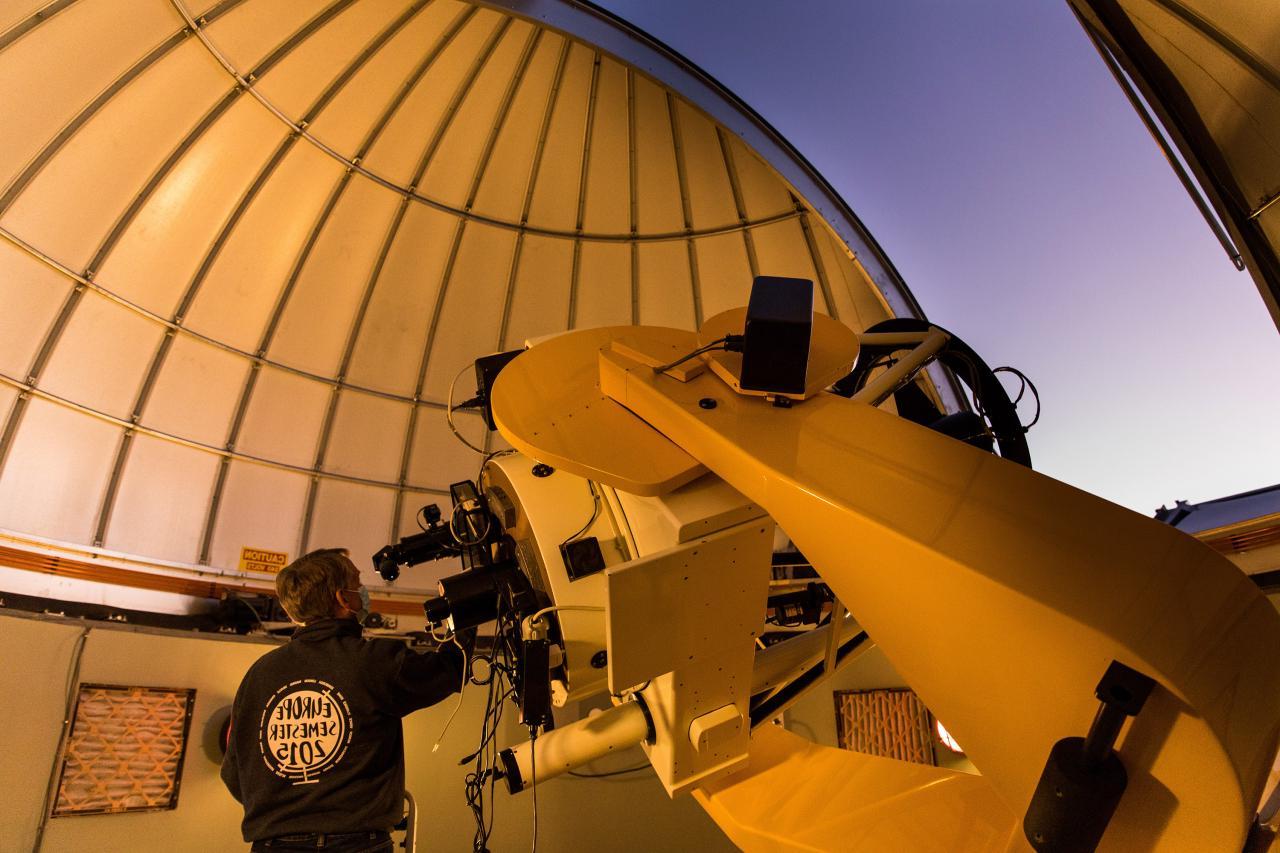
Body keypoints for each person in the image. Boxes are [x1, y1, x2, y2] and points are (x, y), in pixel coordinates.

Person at [221, 548, 467, 852]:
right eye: (357, 583)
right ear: (342, 598)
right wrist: (466, 609)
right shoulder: (369, 661)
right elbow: (453, 668)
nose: (363, 592)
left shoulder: (257, 675)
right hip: (354, 845)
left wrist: (289, 811)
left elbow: (234, 774)